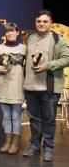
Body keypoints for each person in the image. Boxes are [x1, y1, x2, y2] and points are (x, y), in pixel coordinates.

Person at [22, 9, 69, 161]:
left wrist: (47, 65)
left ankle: (48, 148)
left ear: (50, 22)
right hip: (30, 87)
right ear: (35, 22)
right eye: (39, 21)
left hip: (48, 88)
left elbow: (66, 59)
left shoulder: (57, 39)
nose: (41, 24)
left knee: (49, 119)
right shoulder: (30, 38)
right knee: (34, 119)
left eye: (45, 21)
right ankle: (34, 146)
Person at [0, 22, 26, 154]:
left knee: (15, 116)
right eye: (8, 31)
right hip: (2, 85)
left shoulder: (24, 48)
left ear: (17, 33)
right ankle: (7, 142)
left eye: (13, 31)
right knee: (6, 116)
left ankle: (15, 143)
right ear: (5, 34)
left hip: (17, 86)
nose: (10, 33)